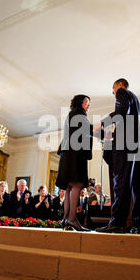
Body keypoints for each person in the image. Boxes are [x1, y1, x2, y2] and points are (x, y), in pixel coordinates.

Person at [93, 78, 140, 234]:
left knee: (121, 182)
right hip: (138, 146)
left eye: (113, 88)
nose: (113, 92)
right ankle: (139, 224)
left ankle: (117, 223)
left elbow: (120, 113)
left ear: (120, 86)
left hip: (126, 145)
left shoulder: (123, 93)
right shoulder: (137, 101)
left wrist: (102, 123)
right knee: (138, 187)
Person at [56, 94, 93, 232]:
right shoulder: (80, 114)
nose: (88, 105)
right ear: (80, 103)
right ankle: (72, 219)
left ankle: (66, 219)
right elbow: (87, 130)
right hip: (75, 154)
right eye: (87, 102)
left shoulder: (70, 115)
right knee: (76, 184)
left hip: (66, 154)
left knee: (69, 187)